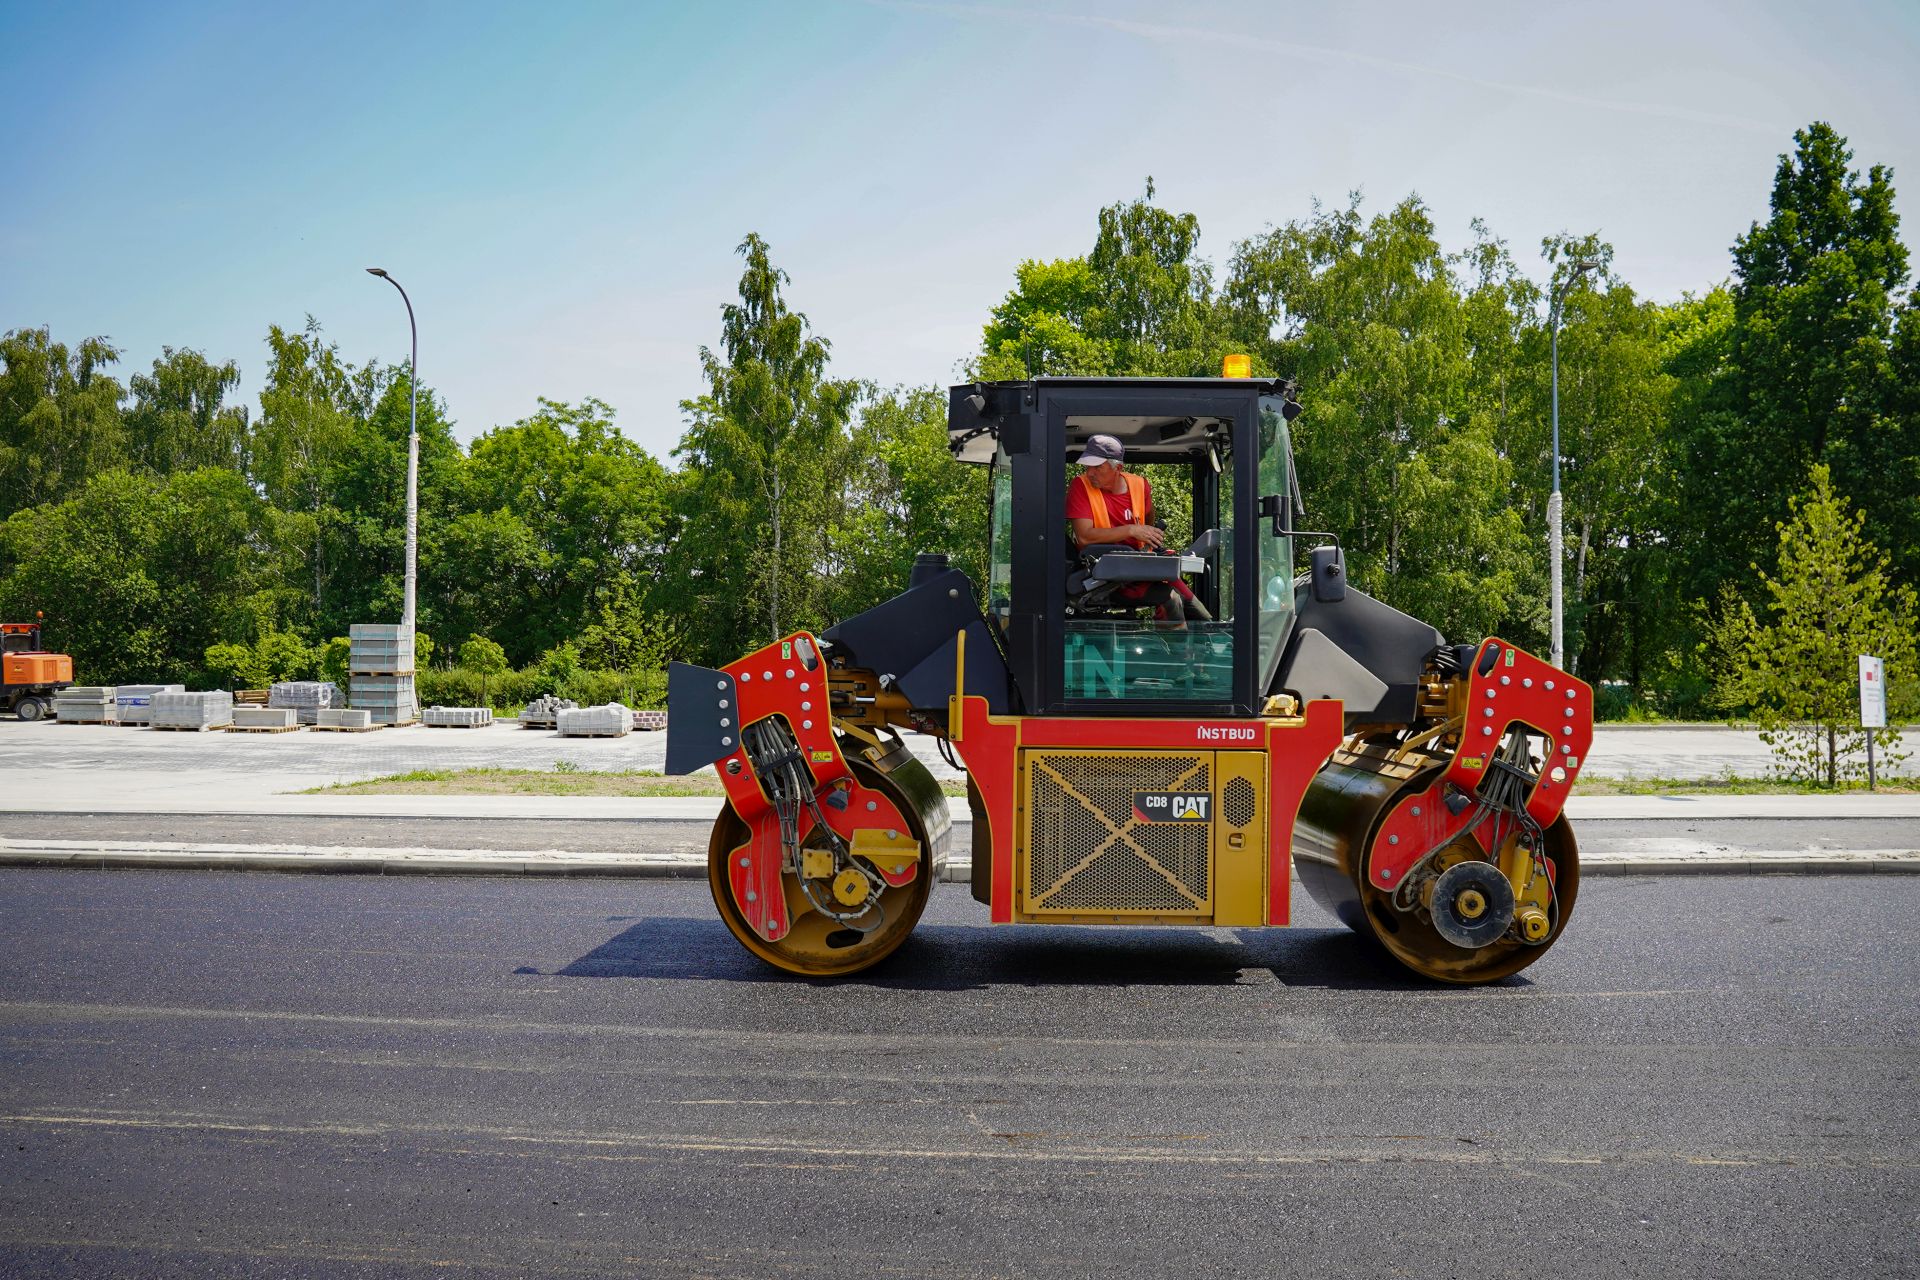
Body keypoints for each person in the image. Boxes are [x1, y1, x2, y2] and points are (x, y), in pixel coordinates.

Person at [1066, 434, 1212, 625]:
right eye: (1088, 465)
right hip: (1103, 576)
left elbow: (1148, 522)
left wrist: (1149, 542)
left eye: (1097, 466)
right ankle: (1181, 654)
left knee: (1189, 600)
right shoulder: (1081, 486)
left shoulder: (1139, 485)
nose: (1090, 472)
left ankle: (1217, 638)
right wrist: (1131, 530)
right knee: (1170, 597)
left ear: (1118, 467)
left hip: (1137, 567)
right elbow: (1084, 537)